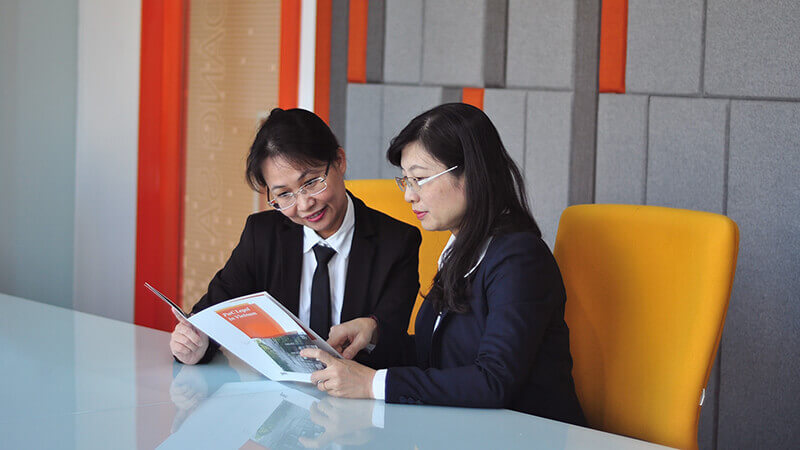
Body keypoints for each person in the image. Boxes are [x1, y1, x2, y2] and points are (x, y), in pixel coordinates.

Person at [300, 103, 586, 426]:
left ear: (471, 174)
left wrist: (371, 384)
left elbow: (493, 381)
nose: (409, 196)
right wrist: (375, 335)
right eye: (406, 180)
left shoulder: (520, 259)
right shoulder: (460, 249)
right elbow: (438, 356)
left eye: (420, 179)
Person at [170, 108, 422, 366]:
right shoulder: (262, 236)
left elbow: (392, 334)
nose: (304, 204)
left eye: (311, 182)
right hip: (276, 388)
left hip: (357, 386)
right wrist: (195, 345)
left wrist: (374, 329)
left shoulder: (398, 242)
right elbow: (212, 312)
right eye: (284, 194)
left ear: (339, 161)